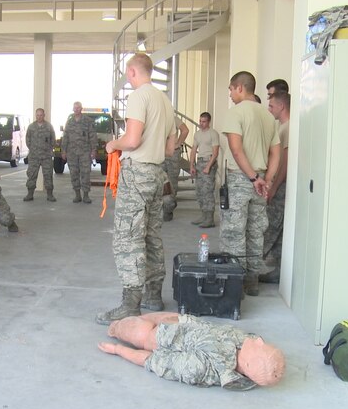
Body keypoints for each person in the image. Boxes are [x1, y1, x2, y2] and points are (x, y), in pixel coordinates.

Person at [96, 53, 177, 325]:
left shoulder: (139, 97)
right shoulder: (164, 100)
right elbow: (170, 147)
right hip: (157, 173)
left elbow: (131, 140)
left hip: (138, 174)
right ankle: (154, 295)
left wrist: (112, 145)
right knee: (151, 235)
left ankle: (130, 304)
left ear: (132, 71)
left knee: (128, 238)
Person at [97, 312, 286, 390]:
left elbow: (153, 360)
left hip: (153, 337)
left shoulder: (200, 368)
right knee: (143, 317)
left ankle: (116, 327)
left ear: (246, 364)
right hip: (182, 322)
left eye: (259, 346)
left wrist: (118, 350)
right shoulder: (245, 342)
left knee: (122, 327)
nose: (259, 340)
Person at [219, 71, 280, 296]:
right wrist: (266, 179)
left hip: (240, 179)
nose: (231, 94)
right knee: (255, 231)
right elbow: (275, 153)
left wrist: (252, 177)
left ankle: (234, 284)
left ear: (240, 88)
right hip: (261, 180)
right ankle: (252, 281)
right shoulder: (266, 116)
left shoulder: (236, 113)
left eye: (231, 89)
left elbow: (236, 149)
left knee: (234, 232)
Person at [261, 92, 290, 283]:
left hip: (281, 185)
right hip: (278, 184)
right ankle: (278, 269)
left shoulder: (287, 128)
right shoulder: (282, 127)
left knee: (273, 225)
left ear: (281, 106)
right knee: (277, 227)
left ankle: (277, 268)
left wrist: (274, 186)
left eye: (271, 106)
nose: (269, 109)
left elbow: (285, 163)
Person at [188, 112, 221, 228]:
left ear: (209, 122)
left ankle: (209, 218)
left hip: (209, 162)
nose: (201, 124)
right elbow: (193, 150)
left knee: (207, 191)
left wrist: (208, 167)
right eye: (200, 121)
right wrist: (192, 165)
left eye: (204, 121)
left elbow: (215, 152)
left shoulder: (213, 134)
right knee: (199, 191)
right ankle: (203, 215)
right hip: (200, 162)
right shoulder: (197, 134)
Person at [61, 101, 97, 204]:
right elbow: (65, 137)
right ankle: (77, 195)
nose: (76, 109)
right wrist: (63, 150)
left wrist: (93, 149)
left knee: (85, 173)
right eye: (75, 108)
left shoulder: (88, 121)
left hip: (85, 152)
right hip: (71, 152)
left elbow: (92, 136)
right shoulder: (70, 121)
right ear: (73, 109)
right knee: (74, 173)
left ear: (81, 109)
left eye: (78, 108)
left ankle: (86, 195)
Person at [24, 108, 57, 202]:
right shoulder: (31, 127)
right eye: (37, 115)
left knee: (48, 175)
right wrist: (33, 149)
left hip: (46, 156)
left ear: (44, 115)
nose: (39, 117)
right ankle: (30, 194)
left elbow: (53, 140)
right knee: (31, 175)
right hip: (34, 156)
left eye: (41, 115)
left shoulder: (49, 126)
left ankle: (50, 195)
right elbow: (27, 140)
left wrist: (48, 149)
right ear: (35, 115)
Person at [162, 115, 189, 221]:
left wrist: (177, 144)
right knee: (164, 183)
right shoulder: (168, 116)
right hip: (163, 152)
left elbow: (185, 130)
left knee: (169, 183)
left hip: (167, 152)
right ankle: (165, 209)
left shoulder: (171, 117)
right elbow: (185, 130)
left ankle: (167, 209)